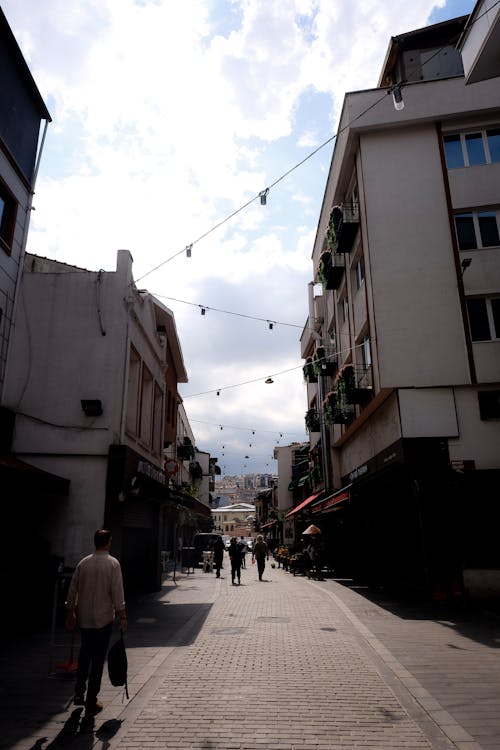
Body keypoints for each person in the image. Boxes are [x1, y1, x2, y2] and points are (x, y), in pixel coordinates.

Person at [65, 529, 126, 716]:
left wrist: (70, 613)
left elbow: (73, 589)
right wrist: (122, 615)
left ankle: (78, 691)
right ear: (107, 542)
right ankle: (91, 699)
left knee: (85, 654)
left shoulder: (84, 563)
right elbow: (117, 592)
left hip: (84, 618)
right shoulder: (113, 564)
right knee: (98, 659)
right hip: (103, 618)